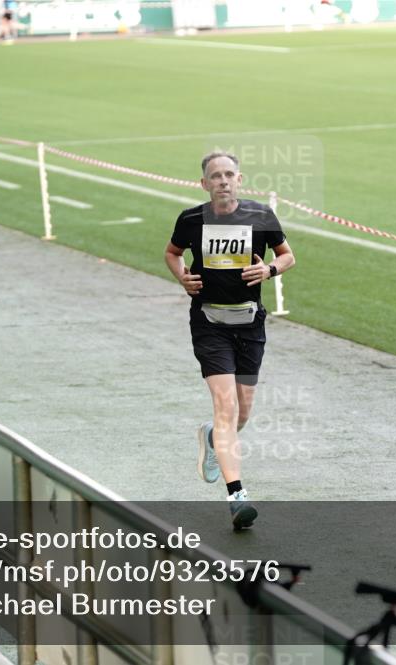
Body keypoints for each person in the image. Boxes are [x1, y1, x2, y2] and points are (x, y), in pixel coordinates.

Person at [164, 152, 296, 530]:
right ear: (204, 184)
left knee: (241, 412)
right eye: (215, 176)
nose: (223, 181)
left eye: (229, 175)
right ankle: (237, 495)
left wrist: (269, 269)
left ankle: (210, 437)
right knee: (225, 405)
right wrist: (182, 276)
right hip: (209, 323)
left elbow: (287, 256)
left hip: (249, 323)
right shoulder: (191, 219)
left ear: (240, 179)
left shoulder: (261, 217)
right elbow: (172, 253)